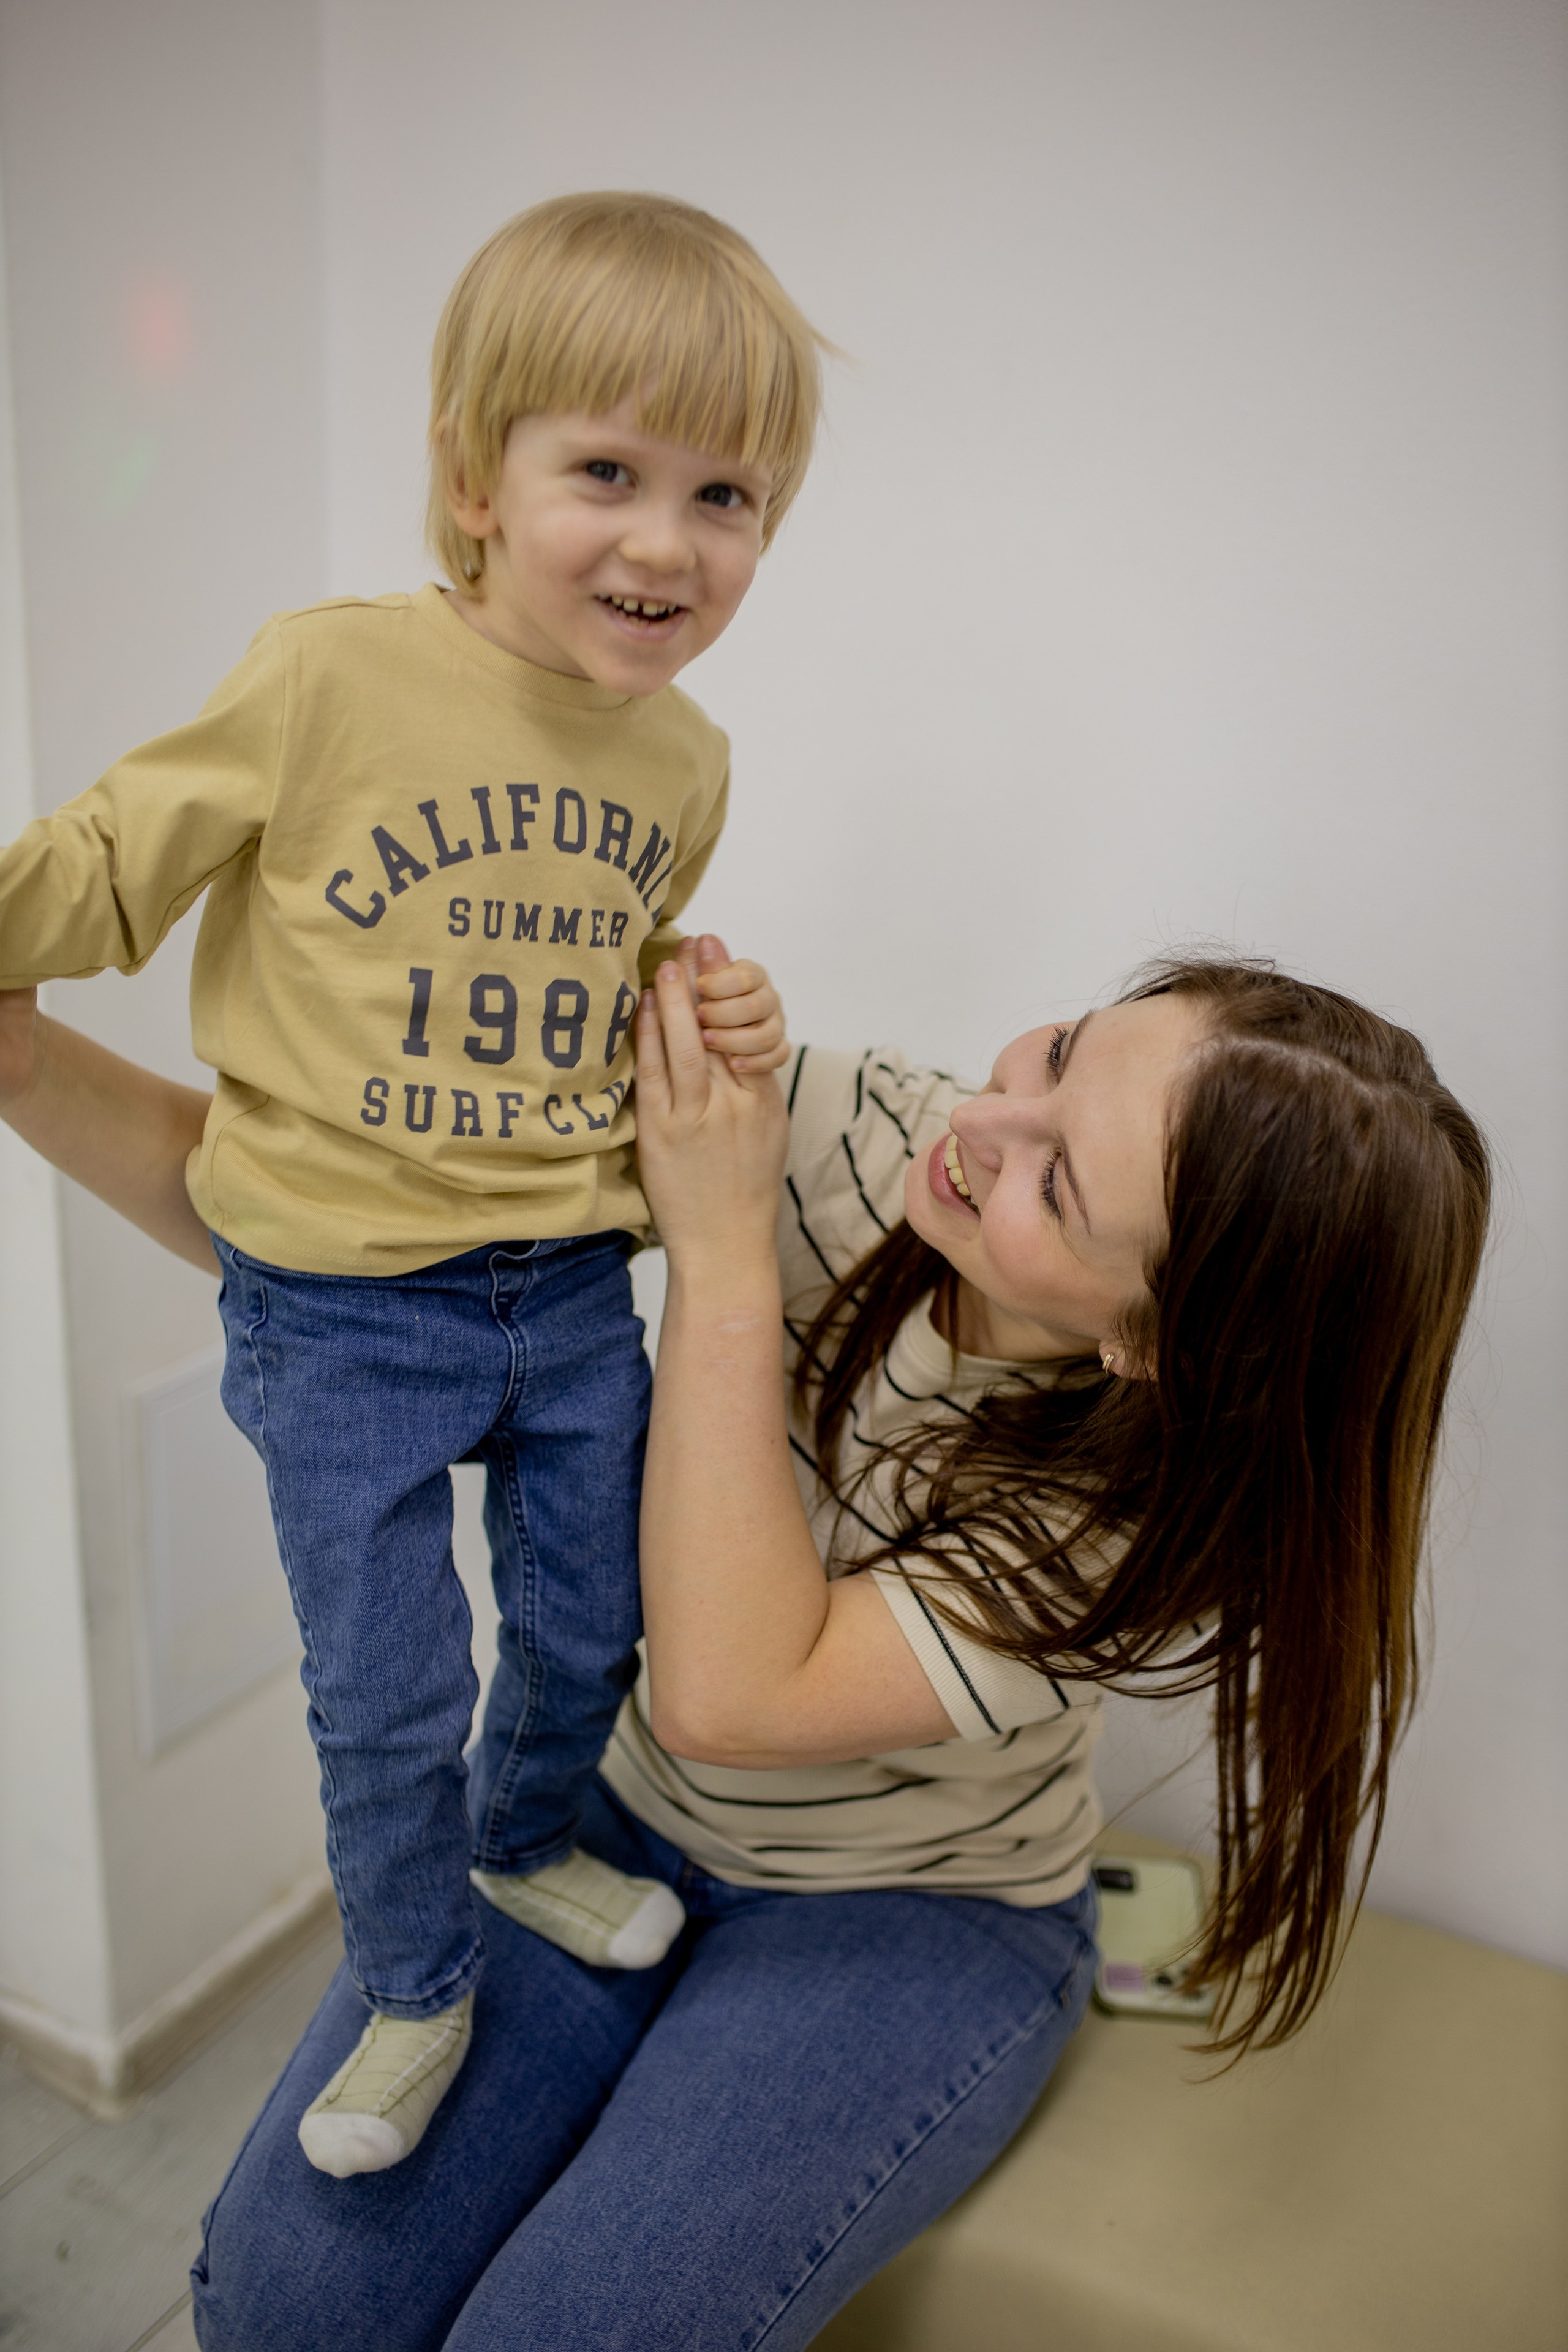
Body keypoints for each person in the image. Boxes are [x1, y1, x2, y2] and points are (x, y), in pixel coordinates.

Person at [0, 940, 1490, 2350]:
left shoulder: (1141, 1527)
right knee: (283, 2307)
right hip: (592, 1808)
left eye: (1058, 1183)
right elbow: (346, 1253)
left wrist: (716, 1245)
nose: (982, 1120)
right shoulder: (843, 1126)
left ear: (1147, 1344)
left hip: (912, 1913)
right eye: (1054, 1051)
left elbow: (730, 1693)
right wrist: (24, 1063)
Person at [0, 191, 824, 2175]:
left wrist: (705, 1016)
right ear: (475, 483)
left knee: (585, 1628)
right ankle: (411, 1977)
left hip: (564, 1285)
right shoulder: (329, 676)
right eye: (607, 471)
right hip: (343, 1304)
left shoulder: (686, 761)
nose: (665, 540)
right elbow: (113, 863)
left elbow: (603, 970)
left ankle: (525, 1841)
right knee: (386, 1685)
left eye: (727, 495)